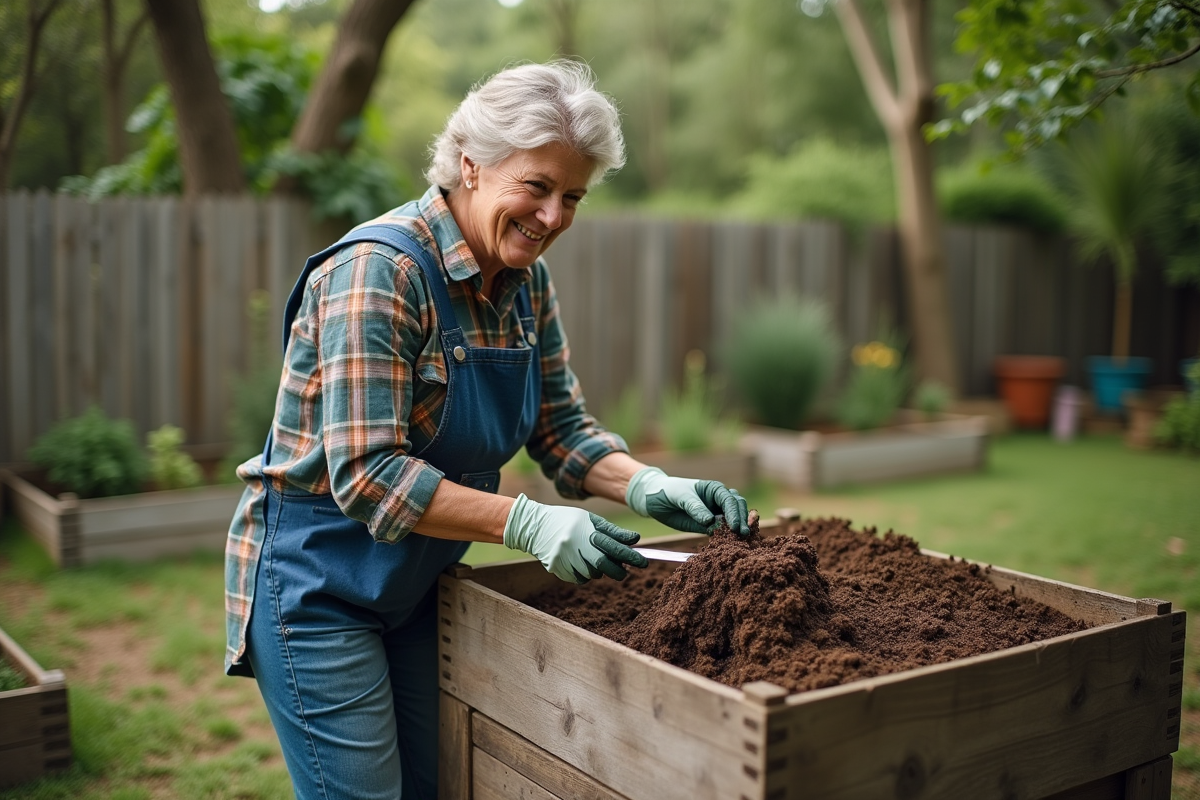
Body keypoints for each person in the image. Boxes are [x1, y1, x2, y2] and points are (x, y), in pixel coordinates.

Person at [223, 60, 750, 800]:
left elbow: (561, 428)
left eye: (573, 197)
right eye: (537, 187)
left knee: (444, 782)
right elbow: (369, 476)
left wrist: (651, 484)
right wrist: (528, 521)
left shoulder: (525, 282)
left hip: (417, 579)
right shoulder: (380, 272)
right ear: (471, 165)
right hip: (319, 584)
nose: (554, 218)